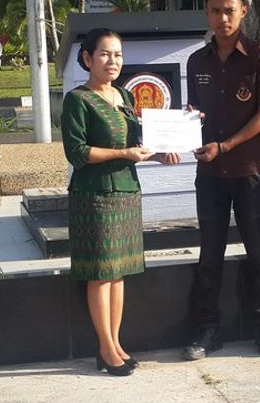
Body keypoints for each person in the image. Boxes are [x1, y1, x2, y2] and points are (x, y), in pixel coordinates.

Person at [62, 28, 179, 376]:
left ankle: (115, 343)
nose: (112, 61)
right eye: (104, 54)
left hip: (127, 191)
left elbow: (136, 145)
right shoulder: (78, 100)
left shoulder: (125, 95)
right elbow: (77, 152)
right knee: (101, 274)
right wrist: (124, 154)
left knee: (119, 273)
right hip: (95, 195)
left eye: (118, 54)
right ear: (87, 58)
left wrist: (158, 154)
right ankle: (105, 347)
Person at [180, 0, 260, 361]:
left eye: (229, 11)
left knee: (259, 254)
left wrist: (225, 146)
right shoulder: (197, 61)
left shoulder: (259, 57)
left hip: (248, 170)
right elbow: (194, 110)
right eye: (215, 11)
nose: (222, 18)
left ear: (244, 11)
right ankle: (207, 330)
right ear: (206, 13)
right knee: (210, 255)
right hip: (209, 175)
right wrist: (189, 123)